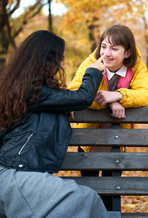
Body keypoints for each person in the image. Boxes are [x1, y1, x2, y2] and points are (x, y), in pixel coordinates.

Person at [0, 30, 121, 218]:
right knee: (85, 198)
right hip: (15, 176)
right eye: (59, 59)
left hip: (22, 175)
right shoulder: (31, 92)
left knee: (85, 201)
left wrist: (63, 106)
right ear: (45, 61)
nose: (62, 64)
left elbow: (65, 100)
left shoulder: (27, 90)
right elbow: (83, 97)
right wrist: (93, 70)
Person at [68, 24, 148, 209]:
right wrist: (108, 100)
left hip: (117, 141)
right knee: (89, 190)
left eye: (114, 48)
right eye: (104, 46)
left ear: (127, 53)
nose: (106, 53)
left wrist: (120, 95)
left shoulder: (136, 67)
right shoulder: (92, 61)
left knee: (111, 192)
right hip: (88, 140)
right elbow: (75, 92)